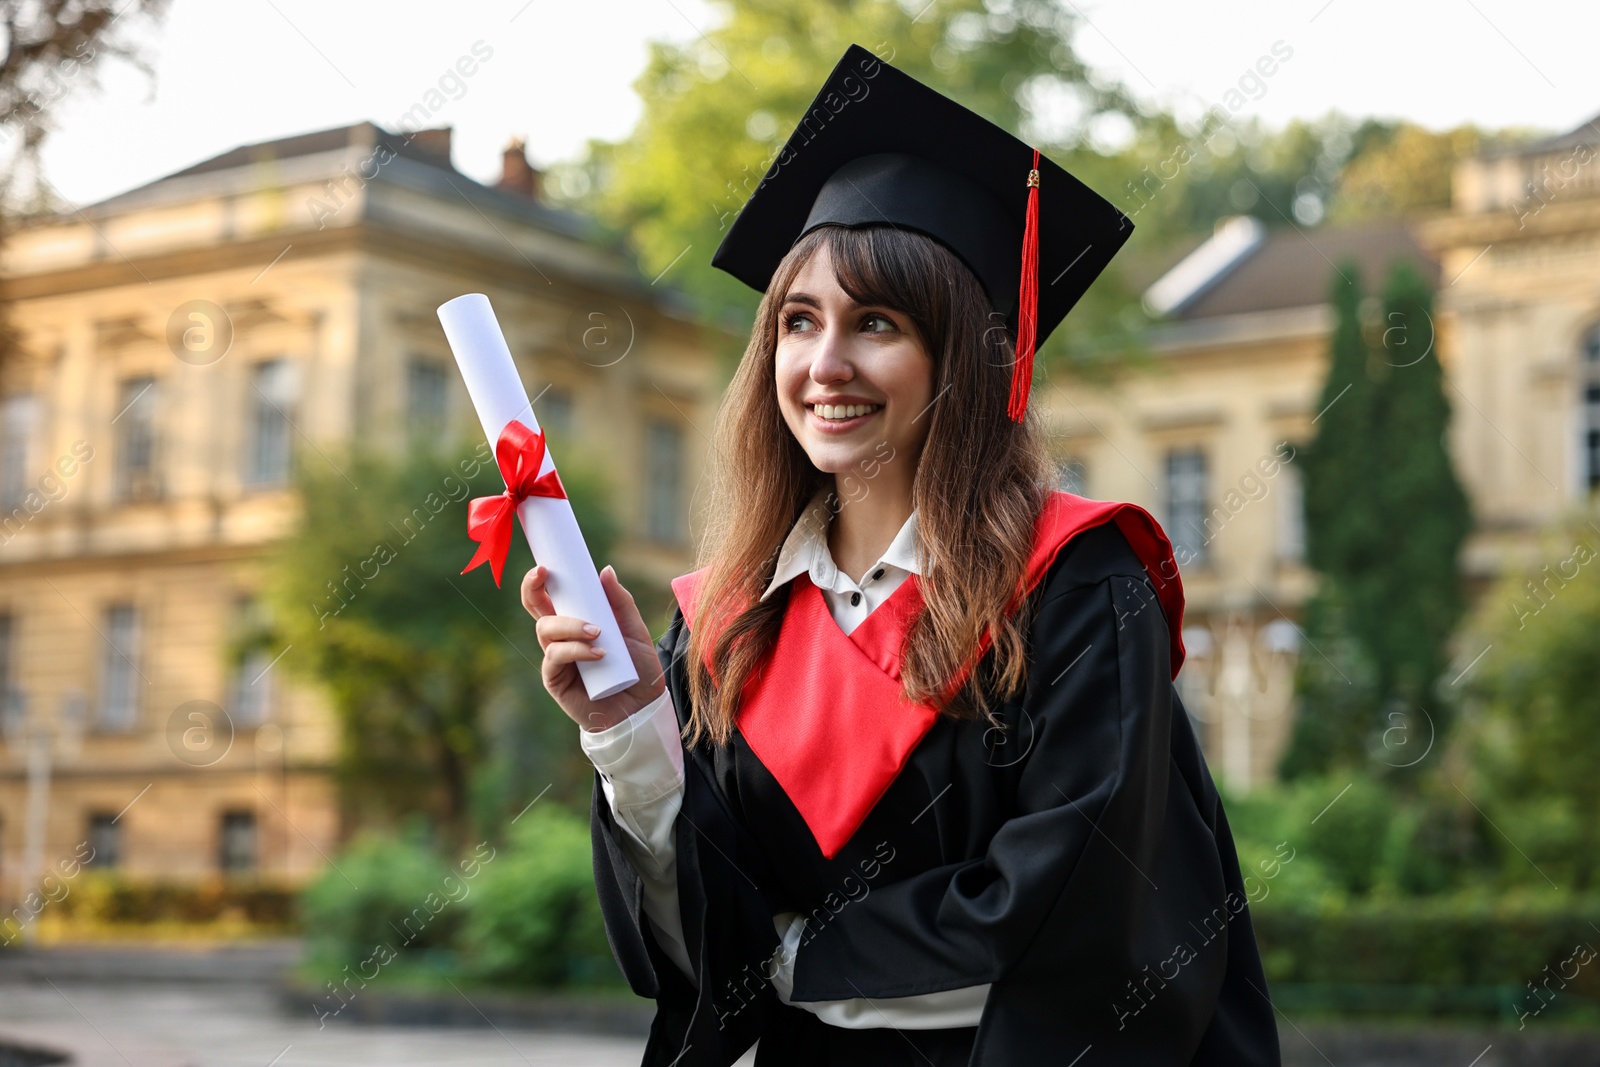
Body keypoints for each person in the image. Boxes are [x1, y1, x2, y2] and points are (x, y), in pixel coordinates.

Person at [519, 43, 1282, 1067]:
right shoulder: (728, 621)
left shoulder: (1077, 586)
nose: (824, 363)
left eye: (874, 322)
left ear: (961, 354)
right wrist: (630, 729)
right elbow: (693, 949)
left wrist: (793, 954)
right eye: (798, 322)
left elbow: (1083, 927)